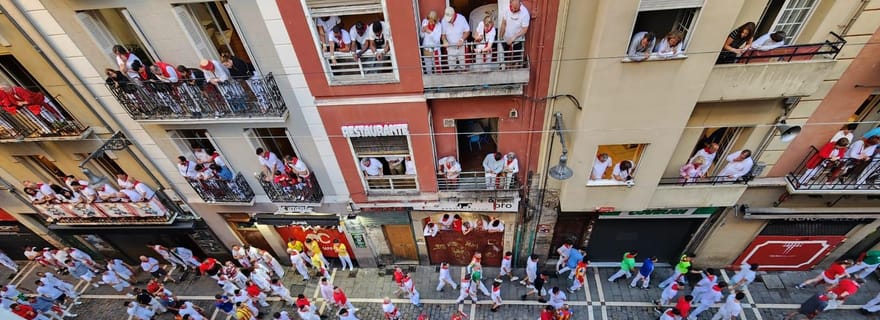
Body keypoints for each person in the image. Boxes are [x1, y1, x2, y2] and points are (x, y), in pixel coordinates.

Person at [499, 0, 530, 66]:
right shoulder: (506, 9)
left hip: (517, 41)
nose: (514, 10)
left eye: (516, 8)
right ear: (510, 3)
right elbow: (503, 23)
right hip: (506, 39)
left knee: (516, 59)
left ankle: (515, 67)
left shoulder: (525, 13)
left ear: (520, 4)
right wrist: (500, 37)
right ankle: (507, 67)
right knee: (506, 58)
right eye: (513, 7)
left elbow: (524, 29)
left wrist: (514, 37)